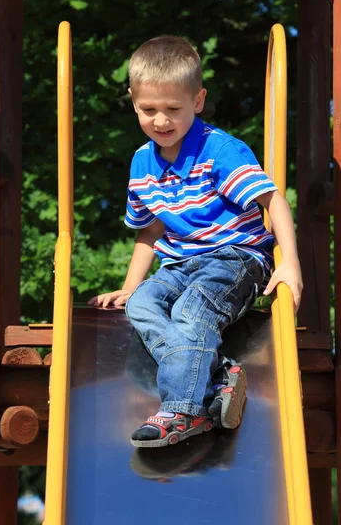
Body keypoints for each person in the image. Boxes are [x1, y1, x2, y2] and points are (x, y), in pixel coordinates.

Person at [88, 35, 303, 448]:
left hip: (235, 257)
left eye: (174, 109)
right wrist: (131, 286)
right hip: (180, 264)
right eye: (149, 109)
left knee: (191, 310)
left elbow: (273, 201)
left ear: (198, 101)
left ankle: (183, 411)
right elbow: (150, 230)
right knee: (142, 305)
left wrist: (288, 264)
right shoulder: (141, 162)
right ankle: (219, 374)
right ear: (133, 101)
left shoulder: (220, 150)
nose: (161, 120)